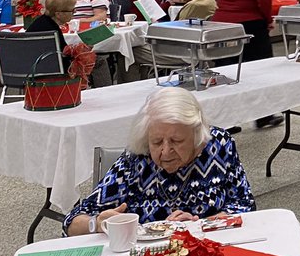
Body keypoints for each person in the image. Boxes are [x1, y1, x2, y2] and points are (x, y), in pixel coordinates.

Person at [63, 87, 255, 236]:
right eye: (156, 142)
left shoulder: (219, 145)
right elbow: (70, 223)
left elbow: (246, 206)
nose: (165, 151)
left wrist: (199, 225)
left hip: (211, 253)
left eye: (176, 141)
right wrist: (95, 224)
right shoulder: (136, 159)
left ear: (197, 137)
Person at [213, 0, 278, 127]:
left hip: (222, 23)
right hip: (249, 24)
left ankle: (226, 120)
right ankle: (263, 115)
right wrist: (268, 21)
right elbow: (263, 0)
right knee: (259, 71)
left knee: (226, 71)